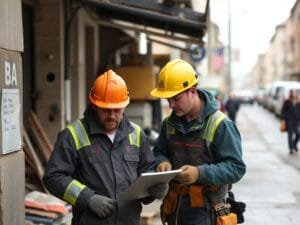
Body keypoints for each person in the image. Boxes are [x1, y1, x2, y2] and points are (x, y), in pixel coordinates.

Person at [43, 70, 168, 225]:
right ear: (94, 105)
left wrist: (153, 190)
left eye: (117, 110)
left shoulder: (136, 134)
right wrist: (87, 198)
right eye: (105, 110)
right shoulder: (73, 134)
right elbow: (53, 177)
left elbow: (146, 172)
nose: (112, 115)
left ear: (125, 105)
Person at [150, 59, 246, 225]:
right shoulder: (169, 123)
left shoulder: (221, 125)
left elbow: (236, 168)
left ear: (192, 91)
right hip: (176, 209)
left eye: (176, 98)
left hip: (208, 210)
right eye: (168, 100)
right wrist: (162, 161)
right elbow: (159, 151)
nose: (171, 105)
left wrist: (199, 173)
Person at [280, 89, 299, 154]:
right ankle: (291, 148)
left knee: (298, 134)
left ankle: (294, 145)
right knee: (290, 135)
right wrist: (283, 119)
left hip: (296, 121)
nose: (293, 94)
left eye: (294, 93)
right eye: (292, 93)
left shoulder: (298, 101)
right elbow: (283, 111)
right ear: (290, 94)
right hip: (289, 121)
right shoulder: (287, 101)